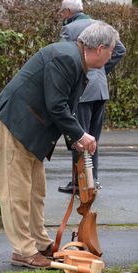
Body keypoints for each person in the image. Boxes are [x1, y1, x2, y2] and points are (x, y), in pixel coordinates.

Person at [0, 22, 119, 269]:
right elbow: (57, 106)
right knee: (16, 193)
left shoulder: (75, 61)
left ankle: (39, 243)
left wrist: (77, 140)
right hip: (16, 124)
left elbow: (62, 108)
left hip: (30, 131)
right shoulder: (66, 58)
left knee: (35, 192)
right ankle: (23, 251)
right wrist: (80, 135)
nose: (113, 55)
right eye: (112, 50)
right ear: (100, 48)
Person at [56, 0, 125, 193]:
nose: (62, 15)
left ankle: (80, 182)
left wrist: (89, 69)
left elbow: (63, 57)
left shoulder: (70, 28)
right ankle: (92, 179)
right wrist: (100, 69)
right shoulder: (100, 26)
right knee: (93, 137)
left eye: (62, 12)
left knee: (80, 136)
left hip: (83, 91)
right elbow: (120, 49)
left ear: (68, 11)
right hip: (100, 89)